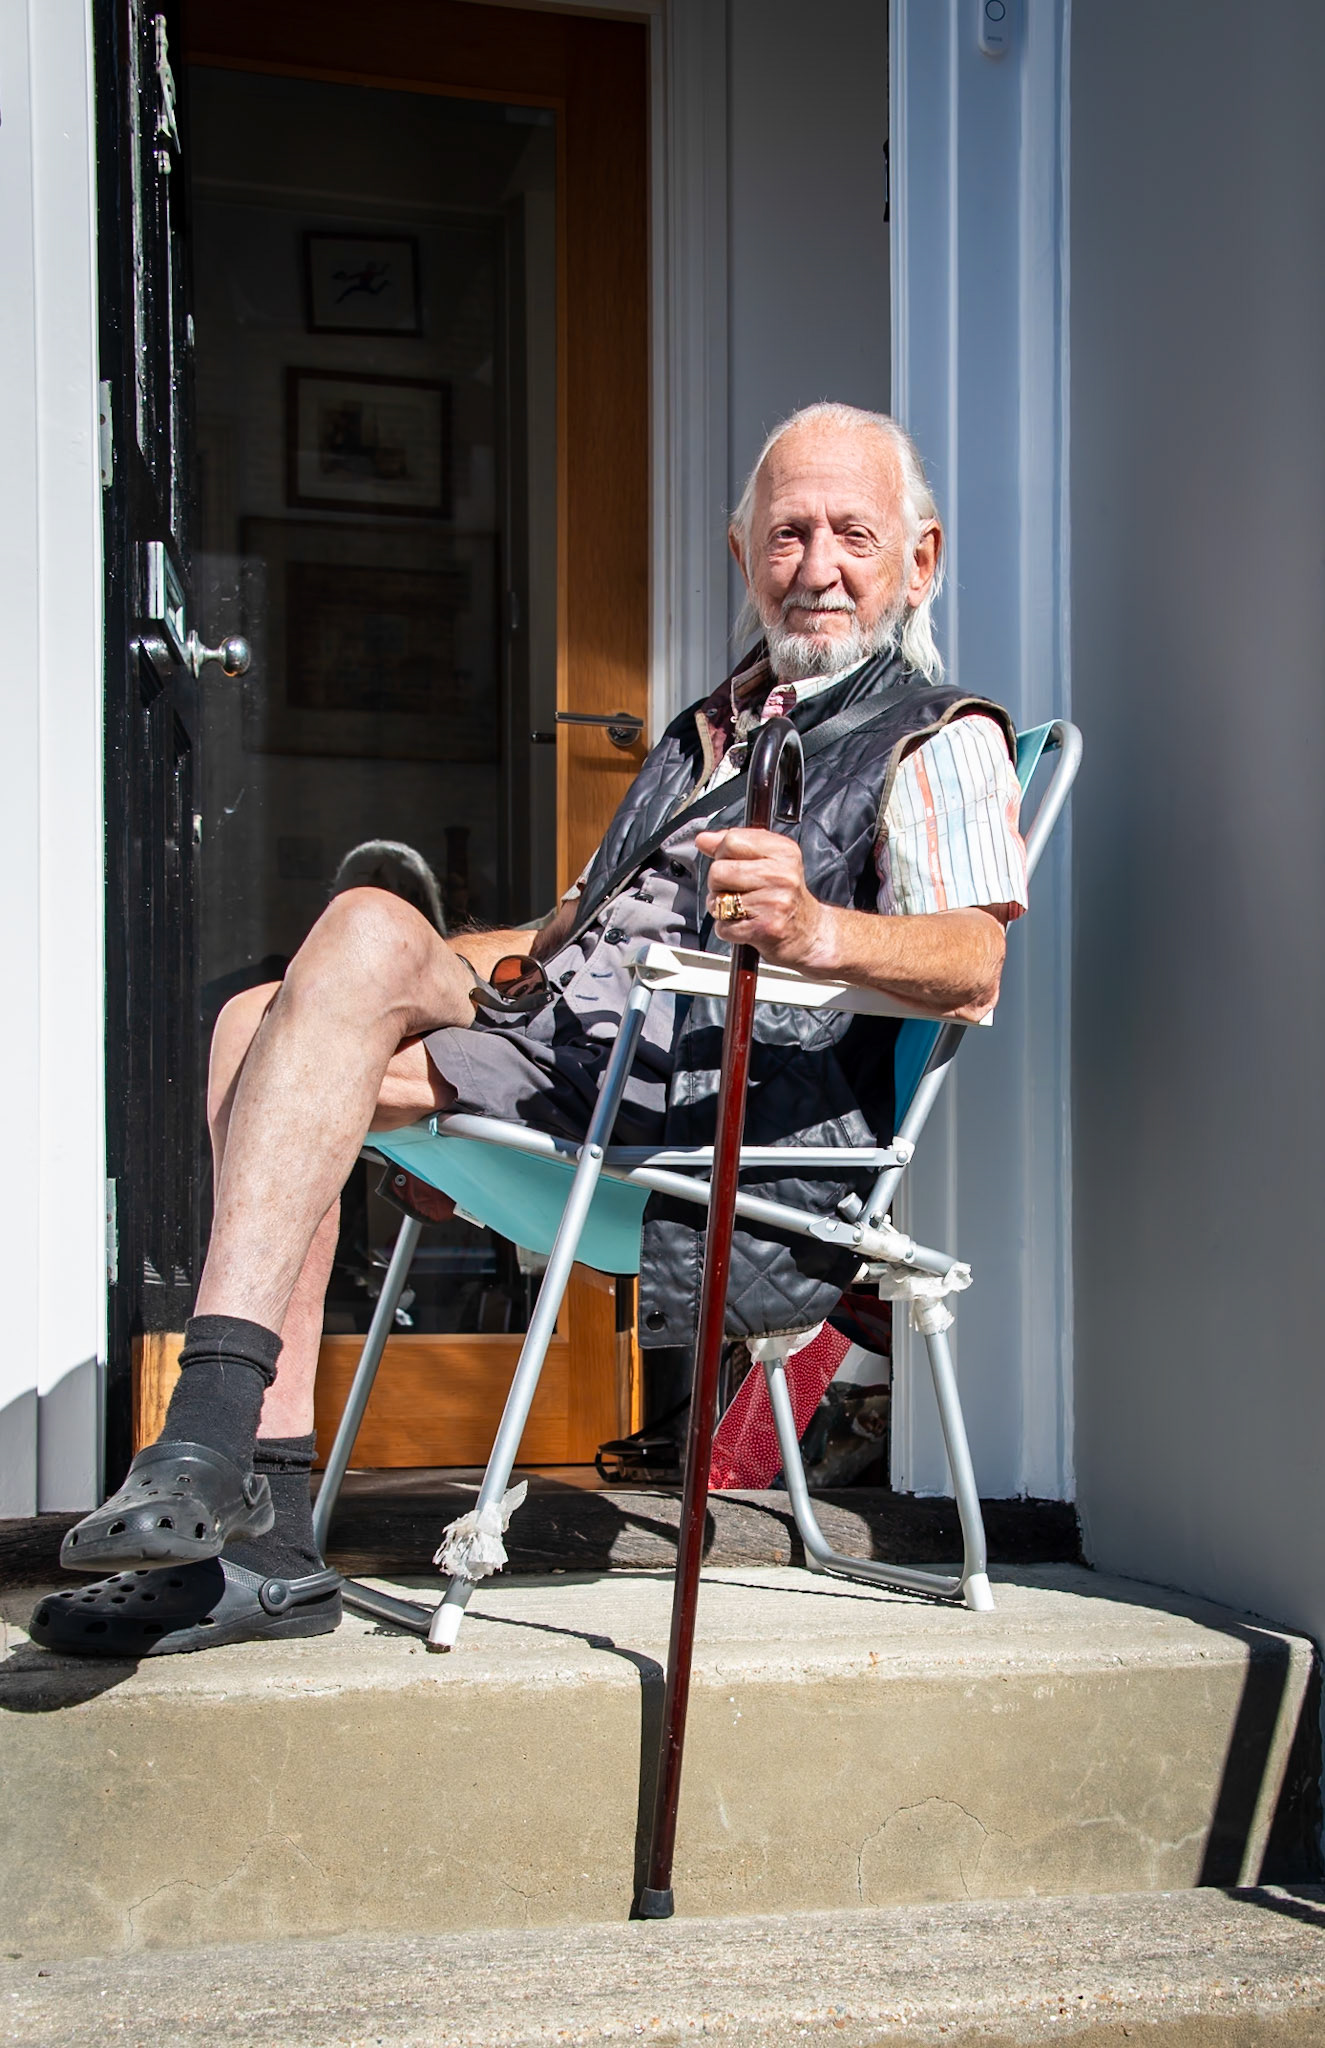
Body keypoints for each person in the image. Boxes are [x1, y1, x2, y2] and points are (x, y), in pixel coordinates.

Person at [32, 402, 1027, 1658]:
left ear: (918, 558)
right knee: (275, 1000)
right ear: (741, 557)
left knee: (310, 1010)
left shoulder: (940, 736)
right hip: (569, 1044)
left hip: (693, 1113)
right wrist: (375, 981)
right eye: (786, 535)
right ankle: (245, 1503)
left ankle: (226, 1472)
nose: (815, 567)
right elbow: (561, 940)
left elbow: (972, 959)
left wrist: (817, 925)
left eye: (850, 533)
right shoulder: (705, 735)